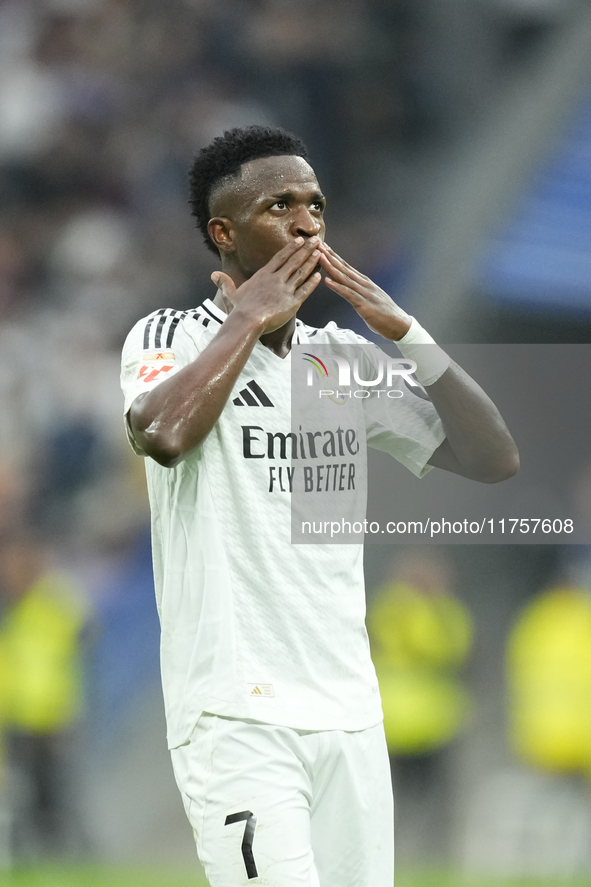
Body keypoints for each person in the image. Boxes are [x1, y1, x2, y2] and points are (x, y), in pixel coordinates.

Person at [120, 125, 518, 887]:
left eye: (314, 205)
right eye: (280, 206)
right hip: (237, 714)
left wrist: (407, 332)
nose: (306, 222)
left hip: (351, 713)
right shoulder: (167, 335)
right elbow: (164, 435)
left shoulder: (344, 362)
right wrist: (248, 318)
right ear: (223, 233)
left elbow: (493, 459)